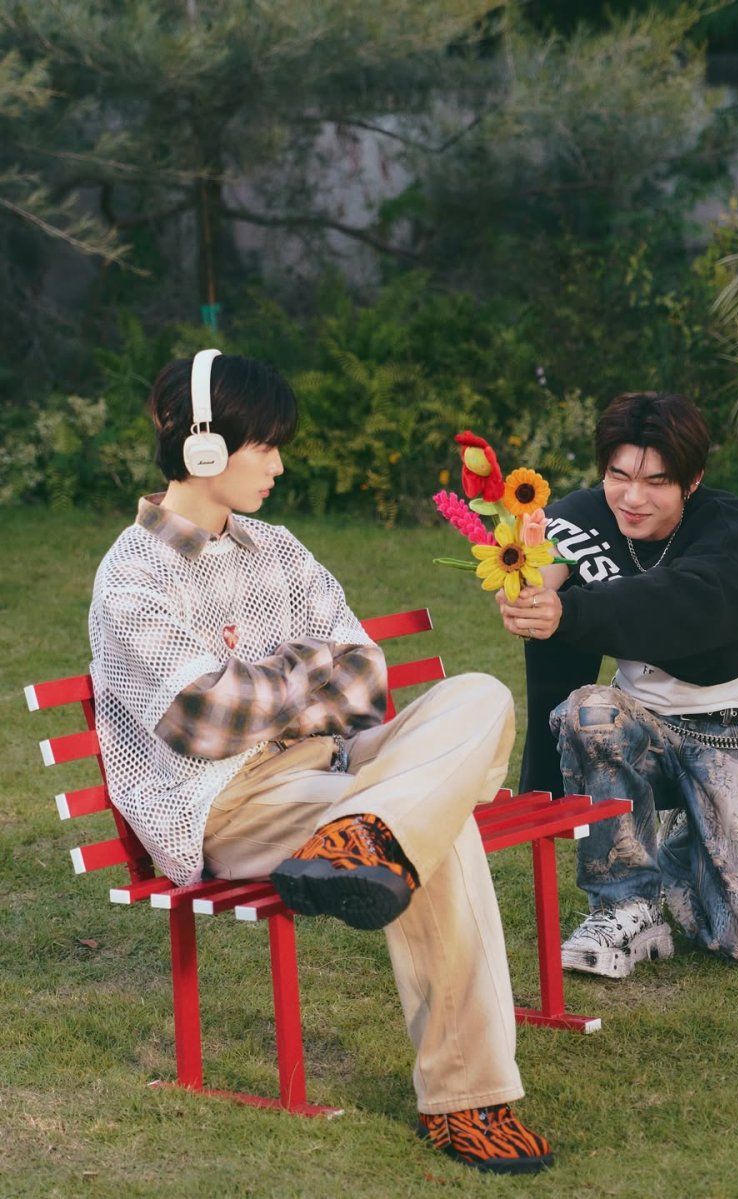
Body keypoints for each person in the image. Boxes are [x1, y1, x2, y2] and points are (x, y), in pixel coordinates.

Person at [88, 349, 553, 1175]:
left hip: (335, 767)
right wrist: (308, 670)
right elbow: (205, 718)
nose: (278, 464)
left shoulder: (278, 547)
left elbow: (365, 675)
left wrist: (266, 683)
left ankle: (366, 831)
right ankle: (468, 1101)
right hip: (227, 801)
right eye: (264, 445)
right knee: (438, 831)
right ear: (202, 446)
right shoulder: (133, 575)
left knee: (480, 695)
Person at [496, 391, 738, 979]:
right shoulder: (586, 514)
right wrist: (528, 592)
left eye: (656, 482)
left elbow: (682, 605)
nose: (633, 498)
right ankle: (627, 906)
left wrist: (571, 612)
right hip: (642, 726)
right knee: (591, 710)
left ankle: (686, 840)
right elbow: (545, 574)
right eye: (619, 476)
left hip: (737, 734)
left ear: (692, 480)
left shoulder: (731, 527)